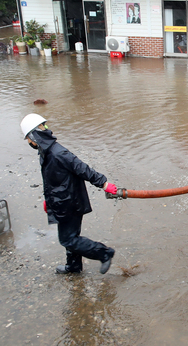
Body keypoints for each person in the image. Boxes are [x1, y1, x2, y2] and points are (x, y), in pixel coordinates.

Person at [21, 113, 118, 275]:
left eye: (28, 139)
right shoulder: (45, 152)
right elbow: (51, 180)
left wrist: (103, 183)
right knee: (70, 236)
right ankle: (73, 267)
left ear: (34, 136)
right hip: (60, 201)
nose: (29, 143)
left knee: (68, 239)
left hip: (70, 202)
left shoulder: (58, 153)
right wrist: (48, 200)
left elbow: (81, 168)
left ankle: (104, 253)